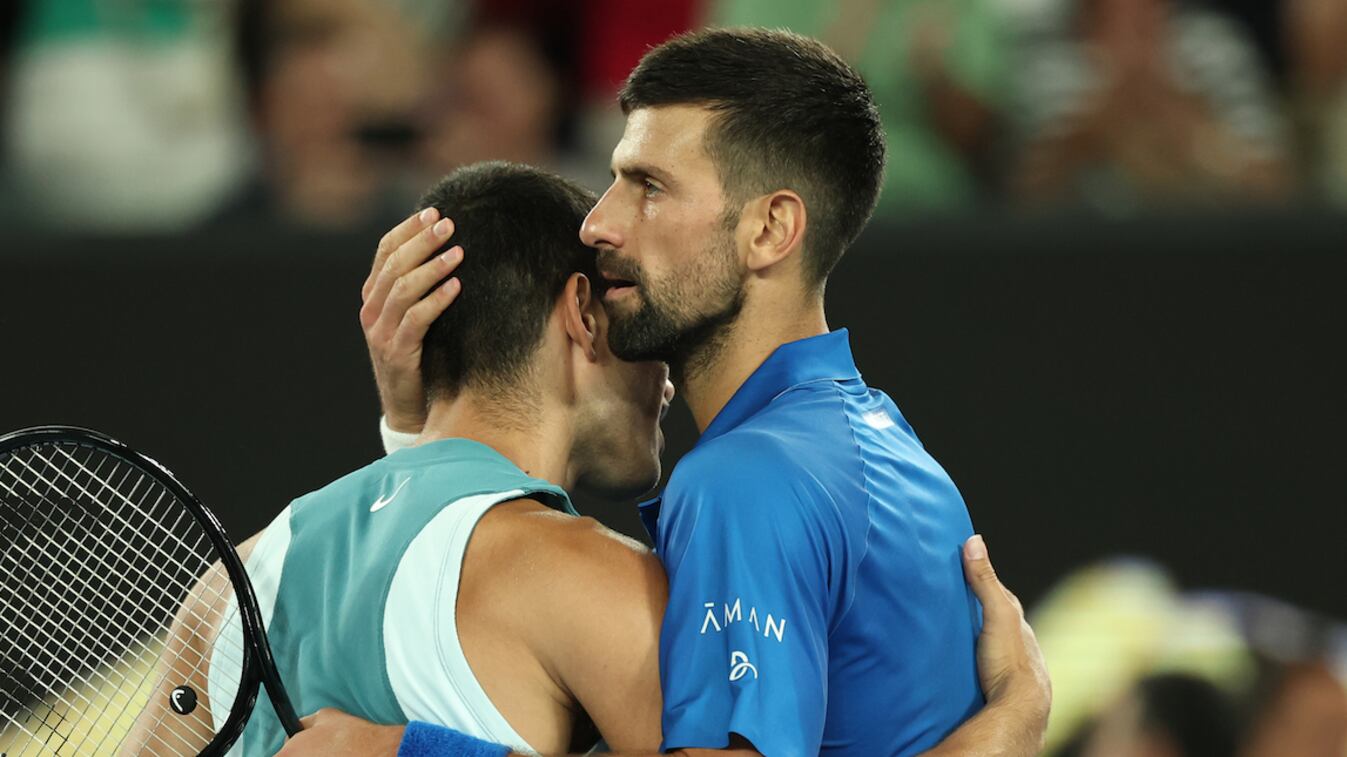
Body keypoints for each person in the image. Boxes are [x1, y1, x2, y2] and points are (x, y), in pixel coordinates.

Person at [127, 162, 1048, 757]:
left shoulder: (230, 584)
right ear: (580, 314)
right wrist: (1009, 722)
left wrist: (406, 442)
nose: (667, 384)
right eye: (638, 331)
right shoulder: (584, 578)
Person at [326, 27, 1049, 757]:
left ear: (769, 229)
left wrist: (408, 752)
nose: (597, 222)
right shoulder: (876, 437)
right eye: (615, 179)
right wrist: (1010, 722)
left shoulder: (745, 483)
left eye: (649, 187)